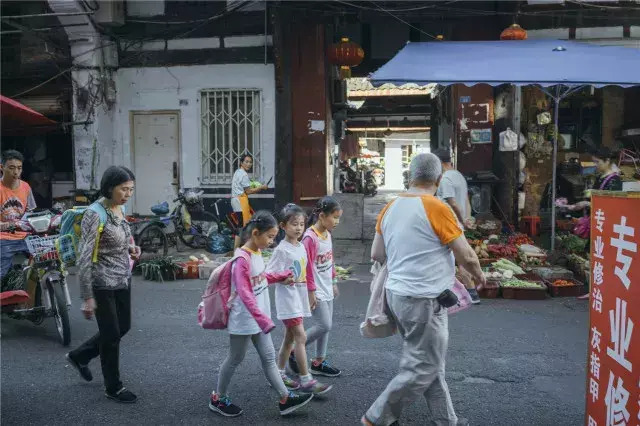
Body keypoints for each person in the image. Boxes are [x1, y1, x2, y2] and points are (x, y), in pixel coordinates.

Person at [362, 153, 485, 426]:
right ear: (439, 179)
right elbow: (466, 254)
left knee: (428, 359)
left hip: (396, 296)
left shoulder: (390, 207)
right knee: (424, 365)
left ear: (411, 176)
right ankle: (376, 417)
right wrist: (477, 274)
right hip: (424, 300)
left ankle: (446, 420)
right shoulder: (437, 207)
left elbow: (377, 252)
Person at [210, 210, 314, 418]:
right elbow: (245, 292)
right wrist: (262, 320)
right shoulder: (241, 259)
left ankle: (285, 398)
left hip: (259, 318)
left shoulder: (256, 252)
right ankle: (218, 398)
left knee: (268, 358)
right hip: (244, 319)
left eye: (274, 237)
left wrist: (280, 276)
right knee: (235, 358)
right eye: (270, 237)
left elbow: (261, 276)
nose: (272, 242)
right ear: (255, 233)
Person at [65, 166, 141, 403]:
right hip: (101, 281)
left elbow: (120, 235)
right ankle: (113, 387)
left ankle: (79, 356)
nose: (128, 194)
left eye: (131, 189)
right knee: (111, 336)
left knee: (123, 327)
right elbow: (84, 257)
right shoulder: (94, 214)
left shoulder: (120, 208)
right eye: (123, 189)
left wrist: (131, 247)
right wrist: (87, 297)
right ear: (110, 188)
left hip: (122, 277)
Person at [267, 203, 332, 395]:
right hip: (288, 301)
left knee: (289, 340)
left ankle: (278, 374)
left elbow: (308, 270)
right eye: (294, 224)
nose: (298, 228)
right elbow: (268, 274)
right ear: (283, 226)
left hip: (299, 299)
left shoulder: (301, 247)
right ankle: (306, 379)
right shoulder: (282, 250)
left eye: (301, 224)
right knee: (301, 337)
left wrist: (312, 293)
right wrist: (282, 277)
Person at [289, 197, 343, 378]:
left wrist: (334, 282)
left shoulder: (327, 234)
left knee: (326, 327)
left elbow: (330, 259)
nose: (337, 222)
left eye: (338, 218)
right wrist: (311, 292)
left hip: (327, 286)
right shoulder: (310, 238)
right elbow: (306, 267)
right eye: (334, 217)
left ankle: (319, 361)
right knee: (324, 325)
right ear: (322, 216)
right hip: (315, 290)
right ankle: (295, 349)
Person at [433, 149, 480, 305]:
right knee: (460, 259)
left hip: (449, 225)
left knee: (448, 259)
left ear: (439, 163)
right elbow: (466, 199)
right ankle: (471, 293)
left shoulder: (445, 179)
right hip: (457, 224)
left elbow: (452, 203)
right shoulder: (459, 176)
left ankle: (467, 293)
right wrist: (467, 218)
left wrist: (462, 219)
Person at [0, 150, 36, 280]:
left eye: (19, 168)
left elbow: (30, 212)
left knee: (44, 262)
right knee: (1, 274)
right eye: (11, 168)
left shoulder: (26, 187)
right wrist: (10, 224)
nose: (16, 172)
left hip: (25, 236)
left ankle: (34, 298)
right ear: (2, 168)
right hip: (3, 237)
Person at [231, 154, 268, 227]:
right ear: (241, 163)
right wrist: (261, 187)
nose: (249, 164)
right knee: (243, 225)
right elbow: (248, 191)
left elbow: (243, 186)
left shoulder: (238, 171)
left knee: (240, 225)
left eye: (250, 162)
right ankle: (241, 238)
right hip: (240, 201)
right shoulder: (244, 174)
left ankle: (240, 238)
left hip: (235, 200)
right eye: (246, 162)